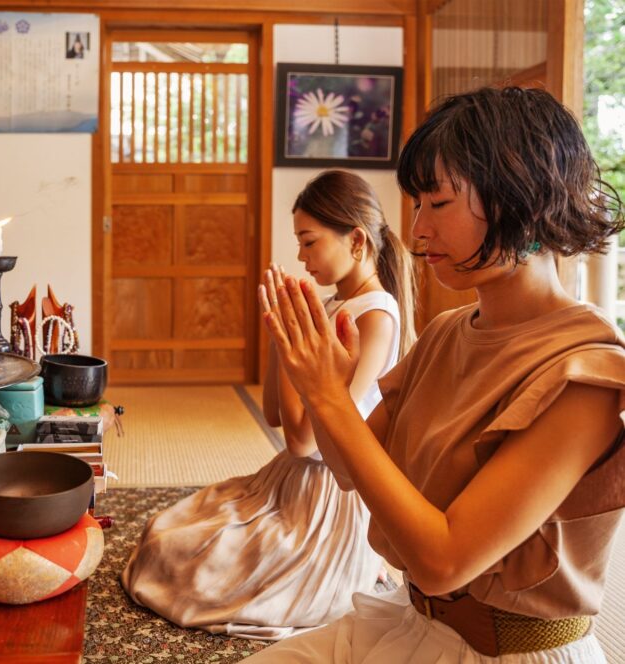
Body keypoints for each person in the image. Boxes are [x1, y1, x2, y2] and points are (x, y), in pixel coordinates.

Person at [248, 86, 625, 662]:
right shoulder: (449, 332)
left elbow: (444, 560)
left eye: (438, 204)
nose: (417, 231)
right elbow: (348, 470)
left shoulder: (585, 370)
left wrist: (328, 397)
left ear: (517, 199)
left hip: (509, 653)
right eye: (416, 205)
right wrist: (323, 388)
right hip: (414, 621)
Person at [121, 170, 417, 640]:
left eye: (309, 241)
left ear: (356, 239)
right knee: (166, 534)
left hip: (326, 499)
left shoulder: (375, 316)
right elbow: (277, 416)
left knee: (192, 567)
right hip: (287, 484)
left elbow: (306, 442)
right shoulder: (331, 304)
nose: (301, 257)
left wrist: (290, 334)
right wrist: (282, 340)